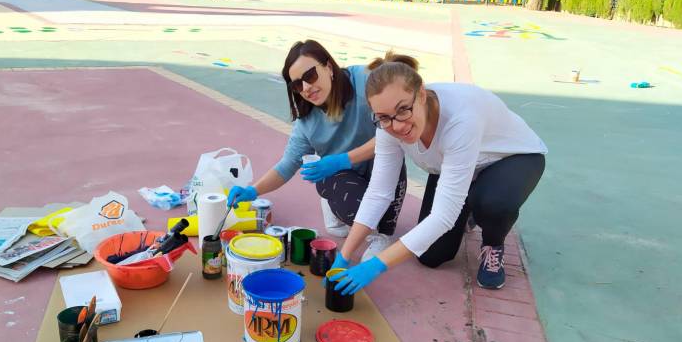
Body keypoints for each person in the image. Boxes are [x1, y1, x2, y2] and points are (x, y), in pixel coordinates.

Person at [330, 52, 547, 292]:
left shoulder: (461, 119)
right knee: (431, 255)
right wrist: (345, 256)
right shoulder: (387, 125)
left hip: (512, 158)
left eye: (404, 109)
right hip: (457, 165)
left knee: (492, 204)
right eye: (384, 117)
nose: (397, 125)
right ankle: (469, 204)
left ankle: (493, 242)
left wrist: (375, 266)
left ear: (421, 94)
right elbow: (379, 191)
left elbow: (443, 216)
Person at [228, 40, 406, 259]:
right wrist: (252, 191)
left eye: (310, 75)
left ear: (329, 67)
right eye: (297, 85)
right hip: (344, 177)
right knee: (356, 204)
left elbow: (393, 131)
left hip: (382, 164)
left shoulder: (365, 81)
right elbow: (287, 166)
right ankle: (358, 222)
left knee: (388, 220)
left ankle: (380, 232)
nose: (306, 88)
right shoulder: (306, 123)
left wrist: (342, 159)